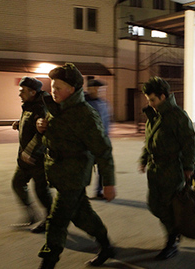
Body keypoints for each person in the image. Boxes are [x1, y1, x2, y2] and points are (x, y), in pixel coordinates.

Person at [36, 63, 116, 269]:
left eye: (58, 88)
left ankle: (48, 262)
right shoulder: (56, 109)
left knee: (57, 221)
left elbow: (103, 151)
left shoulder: (85, 115)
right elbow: (53, 140)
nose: (53, 92)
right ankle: (106, 246)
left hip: (74, 174)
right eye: (52, 87)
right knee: (82, 216)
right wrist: (42, 128)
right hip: (59, 172)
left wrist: (108, 183)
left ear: (72, 90)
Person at [139, 77, 195, 260]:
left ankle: (171, 240)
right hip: (156, 169)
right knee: (155, 205)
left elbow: (190, 142)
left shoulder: (177, 116)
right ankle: (174, 231)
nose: (150, 103)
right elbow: (149, 141)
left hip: (172, 170)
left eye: (153, 100)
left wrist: (188, 167)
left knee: (166, 206)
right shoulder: (155, 115)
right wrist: (144, 158)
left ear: (163, 97)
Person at [11, 77, 53, 233]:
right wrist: (19, 123)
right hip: (24, 158)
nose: (20, 94)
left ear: (32, 92)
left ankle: (51, 220)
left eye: (22, 91)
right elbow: (30, 122)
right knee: (17, 183)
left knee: (42, 191)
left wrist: (29, 151)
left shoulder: (42, 107)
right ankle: (31, 214)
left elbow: (42, 134)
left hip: (38, 159)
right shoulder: (29, 106)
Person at [85, 79, 111, 199]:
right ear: (90, 89)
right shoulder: (84, 103)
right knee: (85, 167)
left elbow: (107, 120)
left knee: (102, 167)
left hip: (101, 141)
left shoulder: (103, 103)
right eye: (96, 89)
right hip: (87, 142)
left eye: (101, 89)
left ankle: (99, 191)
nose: (99, 91)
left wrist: (106, 136)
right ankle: (80, 192)